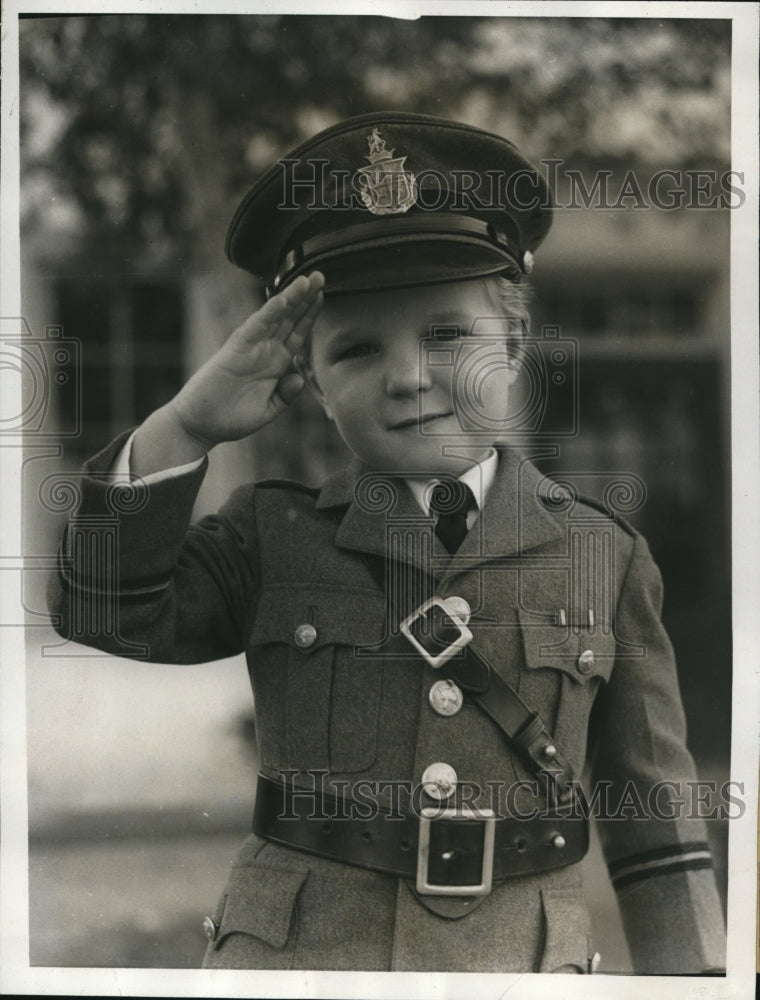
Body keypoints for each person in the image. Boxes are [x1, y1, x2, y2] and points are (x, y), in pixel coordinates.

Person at [48, 111, 726, 974]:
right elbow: (100, 609)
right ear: (317, 388)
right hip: (297, 964)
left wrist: (694, 980)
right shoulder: (269, 535)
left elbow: (653, 816)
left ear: (514, 344)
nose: (407, 376)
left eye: (447, 335)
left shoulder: (605, 553)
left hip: (520, 964)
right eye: (358, 350)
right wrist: (184, 428)